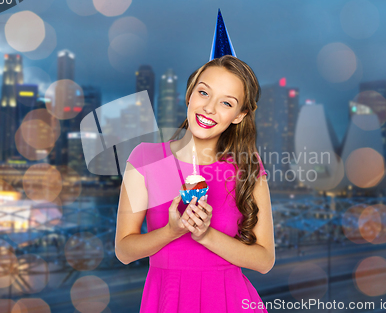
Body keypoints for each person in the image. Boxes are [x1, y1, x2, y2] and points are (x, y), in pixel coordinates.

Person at [115, 55, 275, 312]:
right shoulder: (145, 158)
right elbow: (124, 250)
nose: (210, 108)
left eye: (226, 102)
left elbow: (264, 260)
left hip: (229, 301)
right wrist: (172, 230)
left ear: (239, 115)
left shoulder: (248, 165)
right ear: (189, 95)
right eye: (203, 92)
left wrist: (205, 234)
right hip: (166, 299)